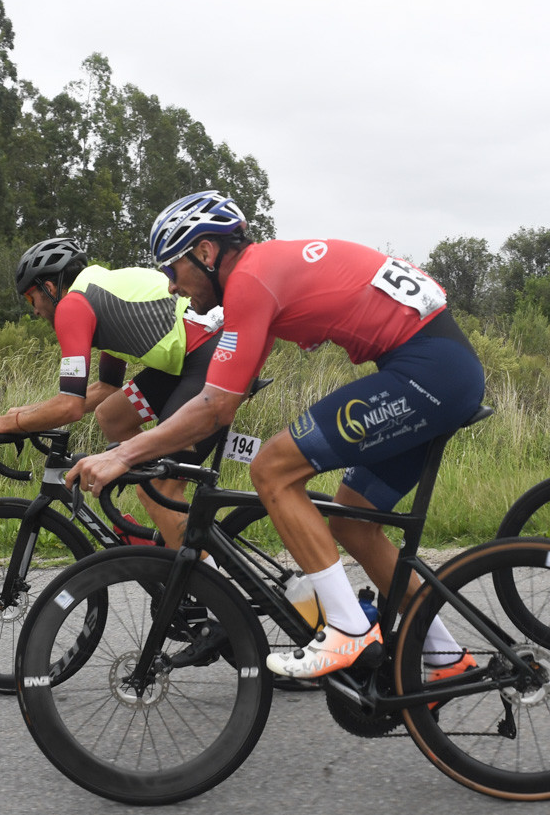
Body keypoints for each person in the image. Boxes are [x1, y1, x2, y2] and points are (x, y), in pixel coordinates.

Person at [66, 190, 486, 681]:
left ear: (204, 253)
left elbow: (216, 407)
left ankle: (350, 630)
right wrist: (155, 443)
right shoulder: (264, 272)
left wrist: (123, 455)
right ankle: (444, 659)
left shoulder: (250, 279)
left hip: (427, 370)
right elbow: (226, 392)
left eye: (172, 270)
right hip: (442, 368)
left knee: (273, 468)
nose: (173, 287)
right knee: (354, 522)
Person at [0, 237, 225, 548]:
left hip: (208, 356)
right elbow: (105, 389)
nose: (34, 311)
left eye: (31, 299)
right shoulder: (98, 295)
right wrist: (18, 415)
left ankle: (207, 585)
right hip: (187, 361)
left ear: (50, 288)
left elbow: (69, 407)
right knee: (113, 415)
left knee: (157, 488)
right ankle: (167, 534)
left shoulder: (73, 305)